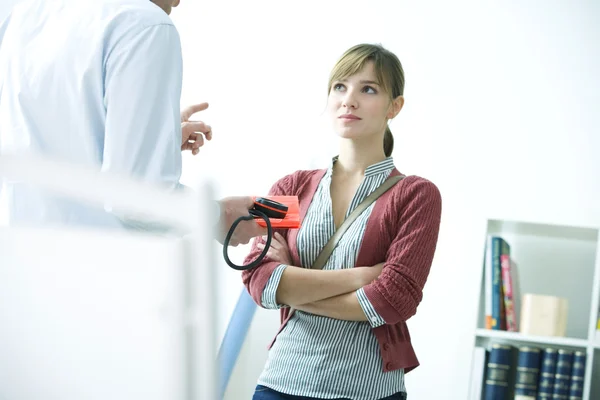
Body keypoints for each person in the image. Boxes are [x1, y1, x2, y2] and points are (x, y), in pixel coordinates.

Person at [241, 43, 442, 400]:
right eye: (340, 86)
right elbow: (257, 279)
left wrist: (293, 288)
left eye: (368, 89)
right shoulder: (290, 186)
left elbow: (394, 300)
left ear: (395, 106)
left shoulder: (417, 195)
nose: (349, 100)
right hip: (281, 383)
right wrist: (361, 277)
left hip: (368, 390)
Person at [0, 0, 264, 246]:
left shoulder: (23, 16)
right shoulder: (145, 25)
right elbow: (136, 198)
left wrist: (153, 136)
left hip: (22, 271)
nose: (178, 2)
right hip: (103, 275)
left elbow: (54, 140)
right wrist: (219, 215)